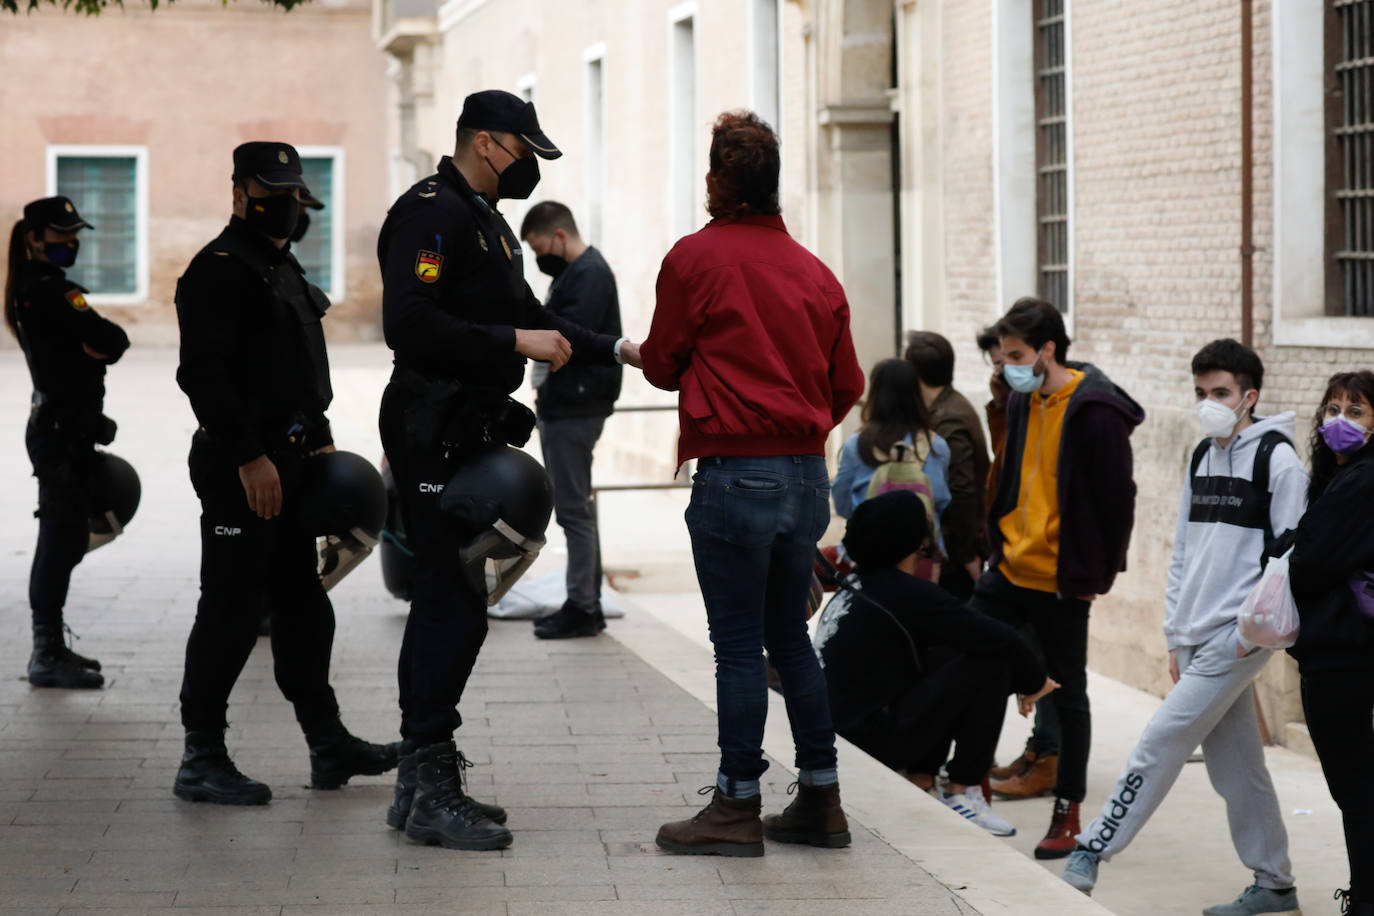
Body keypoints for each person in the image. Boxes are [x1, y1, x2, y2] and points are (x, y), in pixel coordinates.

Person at [377, 90, 635, 851]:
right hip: (431, 427)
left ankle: (419, 780)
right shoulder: (431, 213)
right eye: (526, 151)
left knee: (450, 596)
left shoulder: (487, 224)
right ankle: (429, 781)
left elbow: (536, 315)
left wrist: (618, 350)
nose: (531, 166)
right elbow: (410, 323)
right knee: (449, 597)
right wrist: (512, 344)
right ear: (489, 142)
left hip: (469, 425)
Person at [640, 110, 865, 857]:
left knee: (737, 647)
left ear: (718, 182)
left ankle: (735, 806)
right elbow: (847, 384)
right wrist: (800, 432)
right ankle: (821, 799)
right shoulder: (816, 273)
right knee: (788, 640)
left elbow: (666, 364)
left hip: (736, 475)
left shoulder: (694, 259)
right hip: (805, 477)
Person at [172, 142, 399, 806]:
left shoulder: (280, 265)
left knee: (303, 607)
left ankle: (328, 745)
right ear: (239, 191)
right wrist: (250, 458)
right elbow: (203, 376)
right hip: (241, 468)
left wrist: (319, 440)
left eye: (294, 193)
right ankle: (201, 756)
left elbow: (299, 369)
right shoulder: (218, 270)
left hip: (293, 462)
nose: (287, 205)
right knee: (231, 609)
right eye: (273, 192)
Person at [1060, 339, 1302, 915]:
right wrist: (1175, 633)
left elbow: (1288, 557)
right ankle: (1276, 885)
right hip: (1195, 634)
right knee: (1239, 767)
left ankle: (1091, 850)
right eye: (1201, 393)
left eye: (1220, 393)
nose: (1209, 403)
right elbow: (1184, 551)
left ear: (1250, 396)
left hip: (1237, 638)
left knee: (1160, 740)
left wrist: (1247, 634)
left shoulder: (1280, 461)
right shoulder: (1200, 455)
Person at [969, 296, 1143, 858]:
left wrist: (1100, 572)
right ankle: (970, 783)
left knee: (1070, 695)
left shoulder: (1094, 411)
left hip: (1064, 579)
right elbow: (1009, 473)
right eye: (1002, 356)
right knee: (972, 660)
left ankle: (1067, 812)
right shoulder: (1022, 401)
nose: (1006, 366)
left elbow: (1119, 500)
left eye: (1016, 355)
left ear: (1048, 350)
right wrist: (994, 540)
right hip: (1009, 568)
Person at [813, 490, 1056, 837]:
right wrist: (1035, 683)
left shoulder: (857, 585)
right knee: (992, 662)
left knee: (950, 649)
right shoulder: (907, 593)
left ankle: (922, 776)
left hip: (836, 737)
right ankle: (962, 788)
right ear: (916, 543)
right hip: (866, 747)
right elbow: (1002, 639)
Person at [5, 196, 129, 689]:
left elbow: (105, 340)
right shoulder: (50, 291)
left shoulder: (36, 290)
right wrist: (95, 345)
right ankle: (45, 653)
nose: (70, 242)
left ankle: (52, 647)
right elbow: (111, 337)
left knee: (67, 534)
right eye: (60, 234)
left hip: (65, 427)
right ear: (34, 238)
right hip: (60, 432)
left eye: (75, 233)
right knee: (58, 539)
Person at [1274, 370, 1374, 916]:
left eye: (1356, 411)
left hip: (1343, 653)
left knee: (1355, 791)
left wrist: (1289, 545)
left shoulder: (1360, 482)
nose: (1339, 421)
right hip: (1346, 649)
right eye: (1332, 409)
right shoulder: (1341, 479)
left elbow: (1307, 563)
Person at [518, 201, 623, 639]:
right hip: (569, 405)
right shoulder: (575, 274)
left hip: (575, 408)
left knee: (573, 511)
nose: (539, 257)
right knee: (578, 508)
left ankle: (582, 605)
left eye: (539, 246)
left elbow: (568, 337)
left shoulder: (590, 274)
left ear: (559, 237)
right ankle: (586, 601)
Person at [903, 331, 989, 599]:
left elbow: (962, 490)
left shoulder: (949, 419)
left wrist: (966, 555)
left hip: (954, 559)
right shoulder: (946, 407)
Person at [833, 358, 951, 532]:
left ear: (874, 394)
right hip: (920, 550)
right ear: (915, 394)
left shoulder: (855, 445)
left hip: (868, 549)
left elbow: (842, 505)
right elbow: (940, 500)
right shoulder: (936, 446)